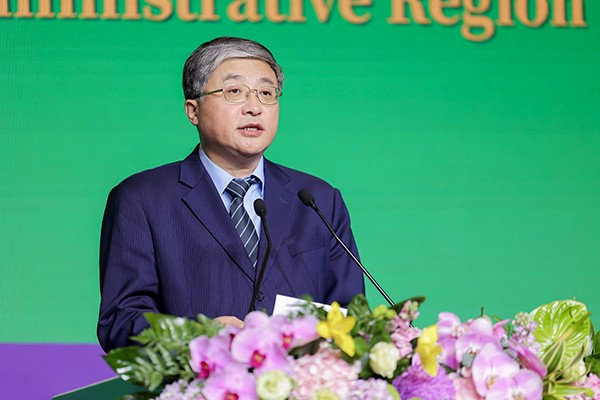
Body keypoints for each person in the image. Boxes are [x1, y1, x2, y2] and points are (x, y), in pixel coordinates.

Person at [97, 36, 365, 352]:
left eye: (266, 93)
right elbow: (121, 320)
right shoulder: (141, 199)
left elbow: (351, 317)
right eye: (234, 92)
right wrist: (197, 335)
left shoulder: (318, 199)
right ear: (193, 111)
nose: (254, 107)